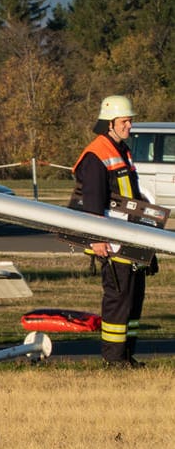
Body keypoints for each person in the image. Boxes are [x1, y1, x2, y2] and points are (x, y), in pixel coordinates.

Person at [72, 94, 155, 366]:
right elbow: (92, 201)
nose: (130, 126)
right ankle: (114, 359)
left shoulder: (121, 150)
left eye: (130, 121)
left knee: (133, 300)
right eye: (125, 121)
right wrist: (97, 239)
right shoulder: (97, 154)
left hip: (129, 236)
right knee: (118, 301)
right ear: (110, 123)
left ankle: (127, 356)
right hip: (112, 241)